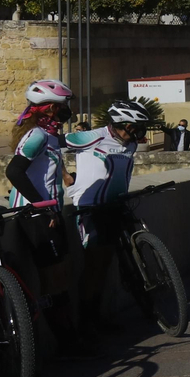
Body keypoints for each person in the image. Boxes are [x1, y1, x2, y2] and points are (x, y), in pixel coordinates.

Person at [3, 80, 82, 352]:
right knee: (53, 280)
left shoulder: (46, 135)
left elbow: (44, 169)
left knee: (59, 276)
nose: (67, 113)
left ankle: (68, 337)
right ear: (48, 109)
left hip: (48, 213)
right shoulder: (36, 134)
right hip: (34, 215)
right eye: (62, 108)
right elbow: (14, 172)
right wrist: (42, 206)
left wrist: (66, 176)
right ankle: (67, 343)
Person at [66, 100, 150, 337]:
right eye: (132, 127)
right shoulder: (92, 136)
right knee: (93, 266)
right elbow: (51, 148)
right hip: (90, 207)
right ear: (119, 123)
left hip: (116, 204)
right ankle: (85, 323)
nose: (135, 133)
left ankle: (98, 316)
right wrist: (66, 177)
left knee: (104, 265)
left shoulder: (130, 144)